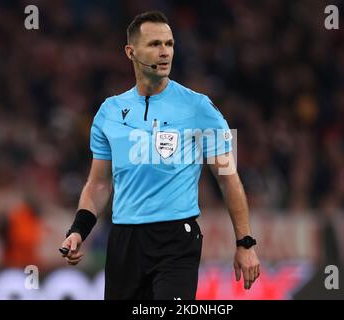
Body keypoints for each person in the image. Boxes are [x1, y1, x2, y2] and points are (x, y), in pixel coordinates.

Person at [60, 10, 260, 300]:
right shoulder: (109, 111)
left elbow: (228, 178)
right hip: (124, 240)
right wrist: (79, 230)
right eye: (154, 44)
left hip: (176, 239)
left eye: (169, 44)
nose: (165, 52)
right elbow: (99, 184)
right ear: (131, 51)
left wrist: (245, 242)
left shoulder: (199, 107)